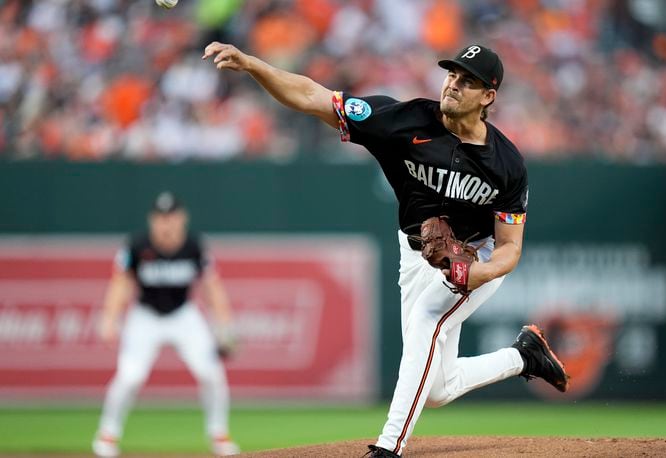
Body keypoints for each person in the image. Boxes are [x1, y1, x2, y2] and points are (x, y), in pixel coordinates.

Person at [202, 41, 569, 457]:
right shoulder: (404, 120)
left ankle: (389, 445)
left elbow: (510, 250)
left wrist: (476, 274)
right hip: (416, 253)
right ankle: (524, 356)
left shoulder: (507, 164)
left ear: (488, 97)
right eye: (451, 74)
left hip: (475, 256)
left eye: (468, 82)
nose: (453, 85)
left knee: (428, 320)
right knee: (438, 389)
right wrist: (252, 64)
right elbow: (311, 96)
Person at [92, 191, 240, 457]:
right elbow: (121, 283)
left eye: (171, 217)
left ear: (182, 218)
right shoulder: (137, 245)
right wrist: (110, 318)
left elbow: (211, 287)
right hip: (145, 316)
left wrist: (224, 326)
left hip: (184, 315)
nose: (166, 223)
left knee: (212, 374)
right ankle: (107, 435)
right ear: (152, 220)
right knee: (130, 377)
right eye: (161, 218)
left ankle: (219, 435)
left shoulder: (195, 246)